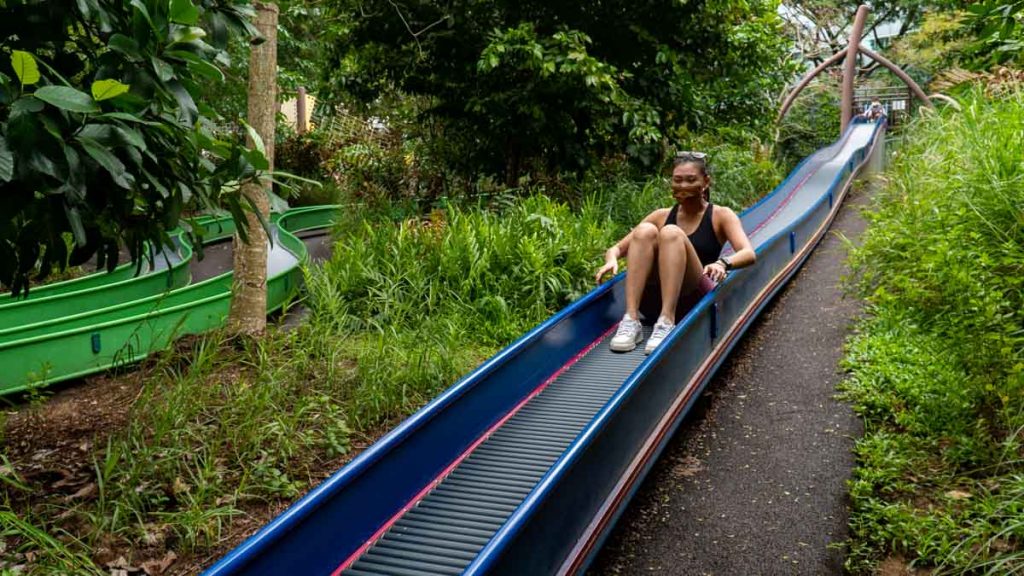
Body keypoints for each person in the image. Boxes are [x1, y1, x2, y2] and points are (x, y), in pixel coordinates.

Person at [594, 151, 756, 354]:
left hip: (692, 300)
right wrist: (611, 260)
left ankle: (666, 321)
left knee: (670, 233)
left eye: (690, 180)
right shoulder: (660, 215)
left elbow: (748, 253)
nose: (683, 186)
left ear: (705, 182)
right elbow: (616, 249)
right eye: (678, 180)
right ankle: (631, 320)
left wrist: (723, 263)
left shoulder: (720, 215)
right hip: (651, 301)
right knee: (645, 231)